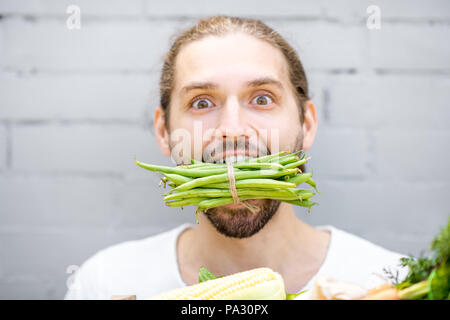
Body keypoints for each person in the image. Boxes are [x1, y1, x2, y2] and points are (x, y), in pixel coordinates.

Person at [65, 16, 406, 300]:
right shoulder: (104, 282)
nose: (232, 129)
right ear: (164, 132)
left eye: (261, 99)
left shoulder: (392, 282)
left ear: (307, 124)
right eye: (201, 102)